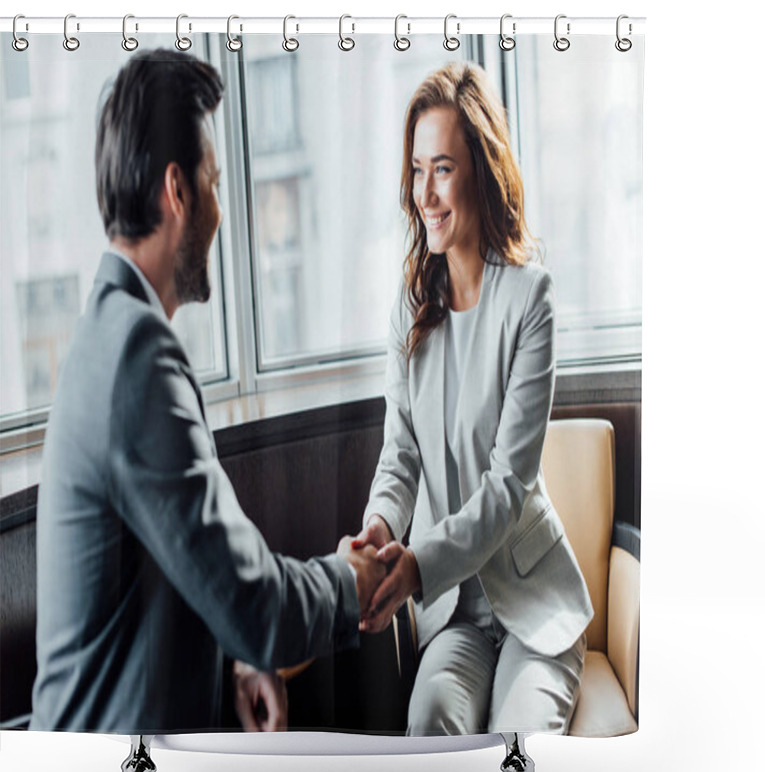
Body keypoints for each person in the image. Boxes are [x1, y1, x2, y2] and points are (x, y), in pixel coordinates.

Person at [30, 49, 384, 734]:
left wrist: (240, 661)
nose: (222, 212)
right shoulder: (136, 354)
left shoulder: (111, 333)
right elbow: (252, 598)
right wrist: (353, 581)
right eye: (215, 183)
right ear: (178, 191)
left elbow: (183, 569)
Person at [353, 63, 594, 735]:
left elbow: (506, 488)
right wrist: (379, 531)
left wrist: (417, 565)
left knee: (516, 750)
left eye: (444, 170)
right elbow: (398, 457)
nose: (426, 194)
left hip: (534, 605)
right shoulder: (409, 309)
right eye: (417, 170)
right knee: (429, 729)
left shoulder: (530, 300)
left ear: (481, 173)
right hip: (452, 614)